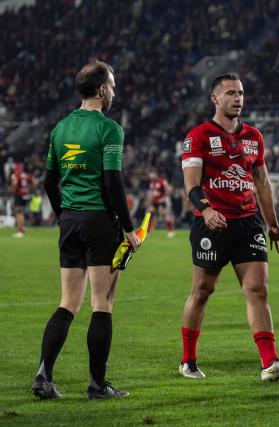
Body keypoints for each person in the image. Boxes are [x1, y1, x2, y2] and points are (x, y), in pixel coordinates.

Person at [33, 61, 141, 400]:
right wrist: (129, 230)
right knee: (102, 302)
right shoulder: (109, 129)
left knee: (67, 303)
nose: (114, 91)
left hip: (70, 220)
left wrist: (64, 213)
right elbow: (112, 181)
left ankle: (43, 377)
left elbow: (49, 180)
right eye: (112, 85)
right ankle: (97, 385)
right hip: (99, 222)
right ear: (100, 90)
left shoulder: (60, 127)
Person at [179, 74, 279, 381]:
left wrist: (272, 223)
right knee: (202, 290)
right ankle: (188, 359)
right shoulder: (199, 135)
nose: (238, 98)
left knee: (258, 289)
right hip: (212, 224)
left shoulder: (254, 136)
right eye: (231, 93)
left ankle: (269, 363)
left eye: (241, 93)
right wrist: (205, 209)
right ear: (215, 99)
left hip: (248, 222)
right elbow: (191, 184)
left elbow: (262, 183)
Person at [147, 170, 175, 238]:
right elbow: (151, 193)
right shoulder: (151, 183)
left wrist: (164, 197)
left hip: (161, 202)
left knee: (164, 215)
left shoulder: (162, 181)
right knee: (149, 214)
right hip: (154, 202)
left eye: (151, 173)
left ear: (155, 174)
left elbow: (169, 189)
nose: (150, 175)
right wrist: (149, 201)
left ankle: (171, 231)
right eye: (149, 174)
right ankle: (147, 231)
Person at [10, 162, 34, 238]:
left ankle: (20, 231)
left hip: (18, 195)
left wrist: (13, 186)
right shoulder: (25, 175)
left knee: (18, 212)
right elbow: (34, 182)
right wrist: (29, 189)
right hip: (25, 194)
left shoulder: (15, 175)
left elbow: (15, 183)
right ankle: (21, 229)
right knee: (21, 212)